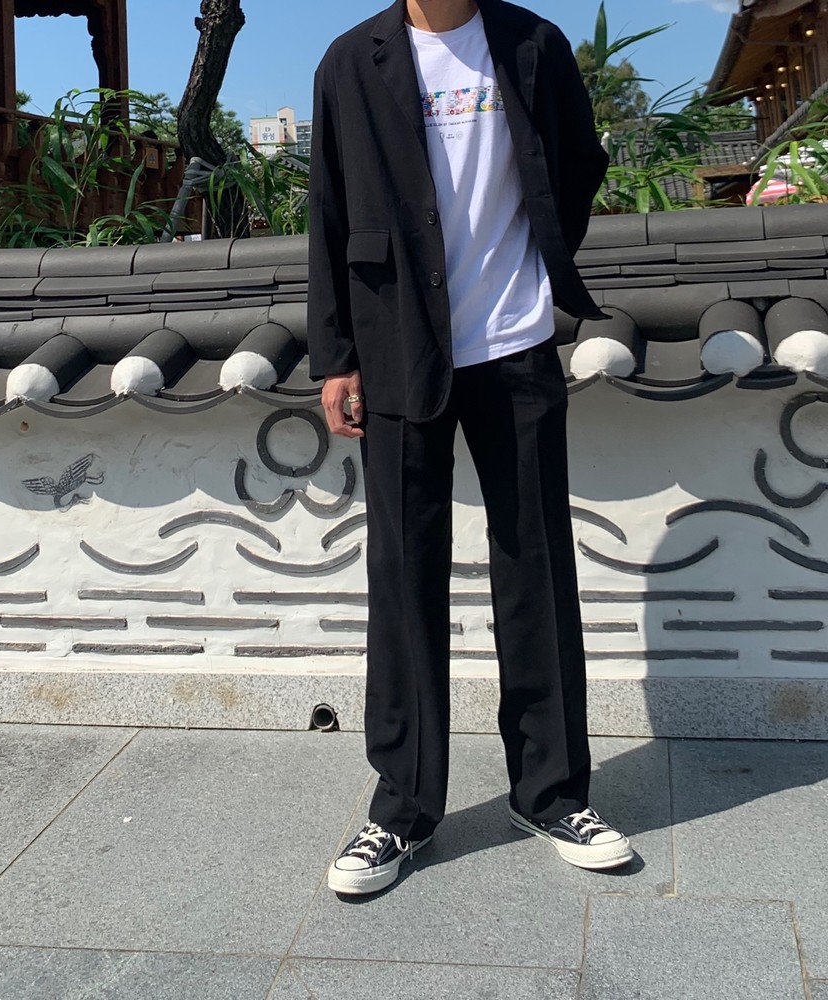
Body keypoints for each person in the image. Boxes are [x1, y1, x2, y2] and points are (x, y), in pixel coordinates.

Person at [307, 0, 633, 896]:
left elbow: (579, 163)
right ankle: (402, 808)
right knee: (403, 571)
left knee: (536, 565)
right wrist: (335, 355)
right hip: (395, 345)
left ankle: (552, 792)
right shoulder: (350, 63)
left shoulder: (533, 45)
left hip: (516, 343)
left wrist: (538, 253)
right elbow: (327, 209)